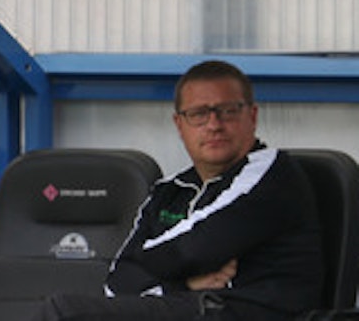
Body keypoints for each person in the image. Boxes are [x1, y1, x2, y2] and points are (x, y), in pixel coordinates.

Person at [33, 60, 323, 321]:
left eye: (228, 111)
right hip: (192, 307)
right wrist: (181, 284)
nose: (214, 125)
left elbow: (194, 248)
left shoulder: (271, 172)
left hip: (244, 311)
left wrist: (158, 268)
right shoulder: (168, 191)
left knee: (65, 313)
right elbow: (118, 282)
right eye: (198, 114)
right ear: (179, 124)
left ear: (253, 116)